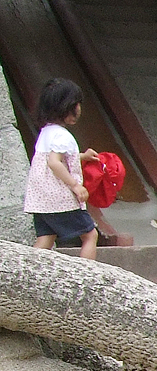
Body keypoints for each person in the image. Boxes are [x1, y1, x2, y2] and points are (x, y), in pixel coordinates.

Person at [23, 79, 99, 260]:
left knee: (46, 238)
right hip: (59, 199)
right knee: (90, 235)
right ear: (68, 108)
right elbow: (54, 162)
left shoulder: (47, 132)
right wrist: (76, 185)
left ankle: (30, 272)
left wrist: (82, 156)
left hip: (41, 200)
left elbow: (55, 159)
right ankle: (86, 276)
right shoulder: (63, 136)